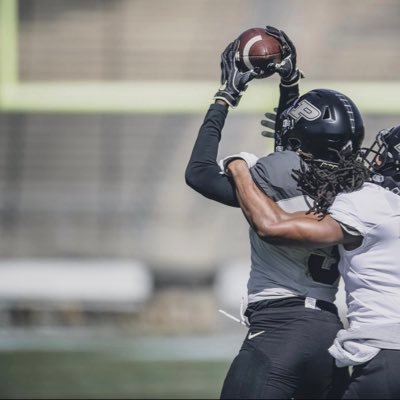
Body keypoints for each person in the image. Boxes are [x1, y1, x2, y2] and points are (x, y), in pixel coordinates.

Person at [185, 26, 353, 399]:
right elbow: (292, 159)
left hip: (279, 329)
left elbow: (198, 173)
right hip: (329, 333)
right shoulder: (357, 192)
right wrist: (289, 85)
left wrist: (224, 97)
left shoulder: (271, 175)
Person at [226, 108, 400, 399]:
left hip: (387, 354)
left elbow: (273, 226)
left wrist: (238, 168)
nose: (375, 160)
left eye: (383, 156)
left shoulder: (373, 202)